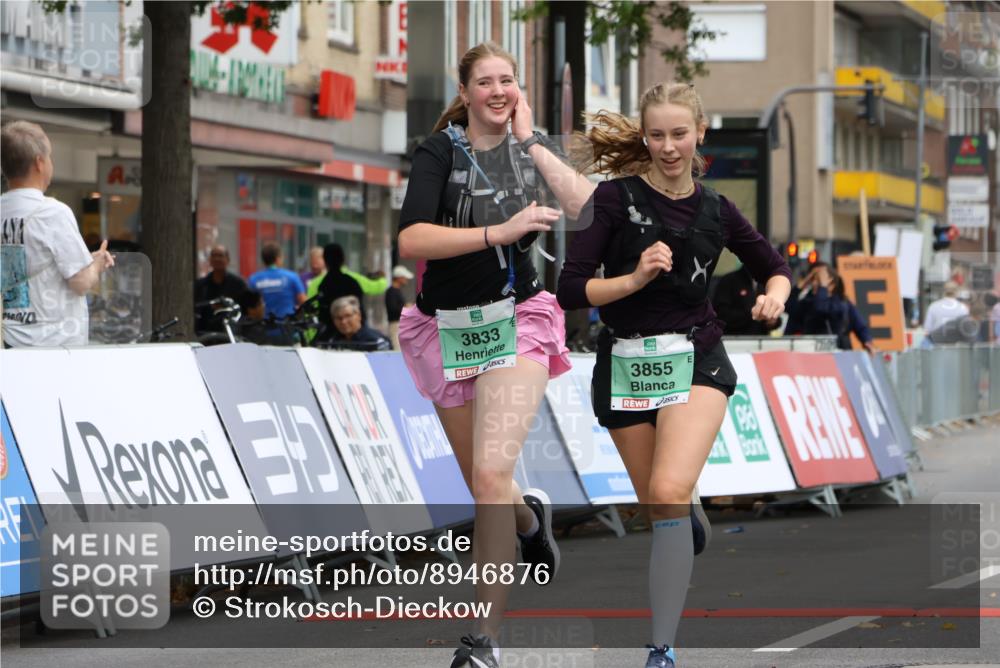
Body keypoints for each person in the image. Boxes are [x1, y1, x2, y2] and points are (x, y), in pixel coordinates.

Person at [556, 82, 791, 668]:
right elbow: (568, 289)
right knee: (659, 509)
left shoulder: (716, 208)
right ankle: (686, 514)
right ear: (644, 135)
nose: (667, 147)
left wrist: (775, 298)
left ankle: (660, 650)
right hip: (627, 362)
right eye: (656, 135)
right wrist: (633, 278)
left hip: (697, 356)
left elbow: (775, 268)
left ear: (700, 132)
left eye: (679, 134)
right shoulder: (612, 200)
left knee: (665, 493)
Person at [396, 42, 594, 668]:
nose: (499, 91)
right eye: (486, 82)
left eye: (508, 80)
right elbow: (411, 239)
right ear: (465, 91)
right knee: (486, 483)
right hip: (446, 328)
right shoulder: (438, 152)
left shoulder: (526, 152)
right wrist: (498, 231)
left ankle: (484, 643)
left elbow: (587, 208)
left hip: (519, 322)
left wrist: (533, 140)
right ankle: (531, 523)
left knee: (488, 478)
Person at [1, 121, 115, 347]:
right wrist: (97, 264)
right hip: (53, 347)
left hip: (10, 341)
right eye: (50, 156)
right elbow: (81, 283)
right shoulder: (53, 212)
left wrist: (85, 261)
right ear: (39, 163)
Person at [711, 262, 781, 336]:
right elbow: (721, 315)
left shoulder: (766, 283)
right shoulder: (729, 280)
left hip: (761, 341)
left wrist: (772, 321)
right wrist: (752, 313)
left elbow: (775, 315)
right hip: (733, 340)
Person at [194, 245, 248, 333]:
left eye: (220, 255)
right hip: (206, 334)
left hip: (232, 333)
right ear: (210, 260)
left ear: (228, 260)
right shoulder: (201, 285)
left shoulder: (239, 284)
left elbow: (246, 310)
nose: (217, 259)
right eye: (214, 255)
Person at [311, 243, 366, 328]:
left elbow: (322, 315)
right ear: (342, 259)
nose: (343, 321)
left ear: (325, 261)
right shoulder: (351, 282)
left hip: (330, 334)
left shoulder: (323, 285)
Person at [248, 242, 305, 319]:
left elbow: (250, 306)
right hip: (288, 327)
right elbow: (303, 301)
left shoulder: (253, 279)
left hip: (264, 326)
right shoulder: (291, 277)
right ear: (278, 258)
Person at [317, 296, 391, 350]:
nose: (343, 322)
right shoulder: (332, 341)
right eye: (339, 318)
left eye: (348, 316)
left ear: (358, 315)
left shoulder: (374, 341)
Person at [385, 264, 413, 349]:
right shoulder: (391, 291)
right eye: (404, 277)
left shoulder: (396, 291)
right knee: (397, 350)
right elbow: (393, 308)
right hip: (395, 325)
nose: (406, 280)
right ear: (399, 277)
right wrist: (406, 307)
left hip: (400, 325)